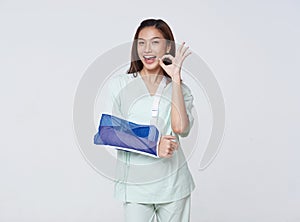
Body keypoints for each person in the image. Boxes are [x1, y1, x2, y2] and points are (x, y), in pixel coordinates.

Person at [105, 18, 195, 222]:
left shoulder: (181, 89)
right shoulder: (119, 85)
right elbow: (110, 132)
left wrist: (176, 80)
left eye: (155, 42)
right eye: (141, 42)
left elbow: (180, 128)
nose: (147, 49)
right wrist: (154, 144)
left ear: (167, 47)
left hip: (174, 185)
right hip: (136, 188)